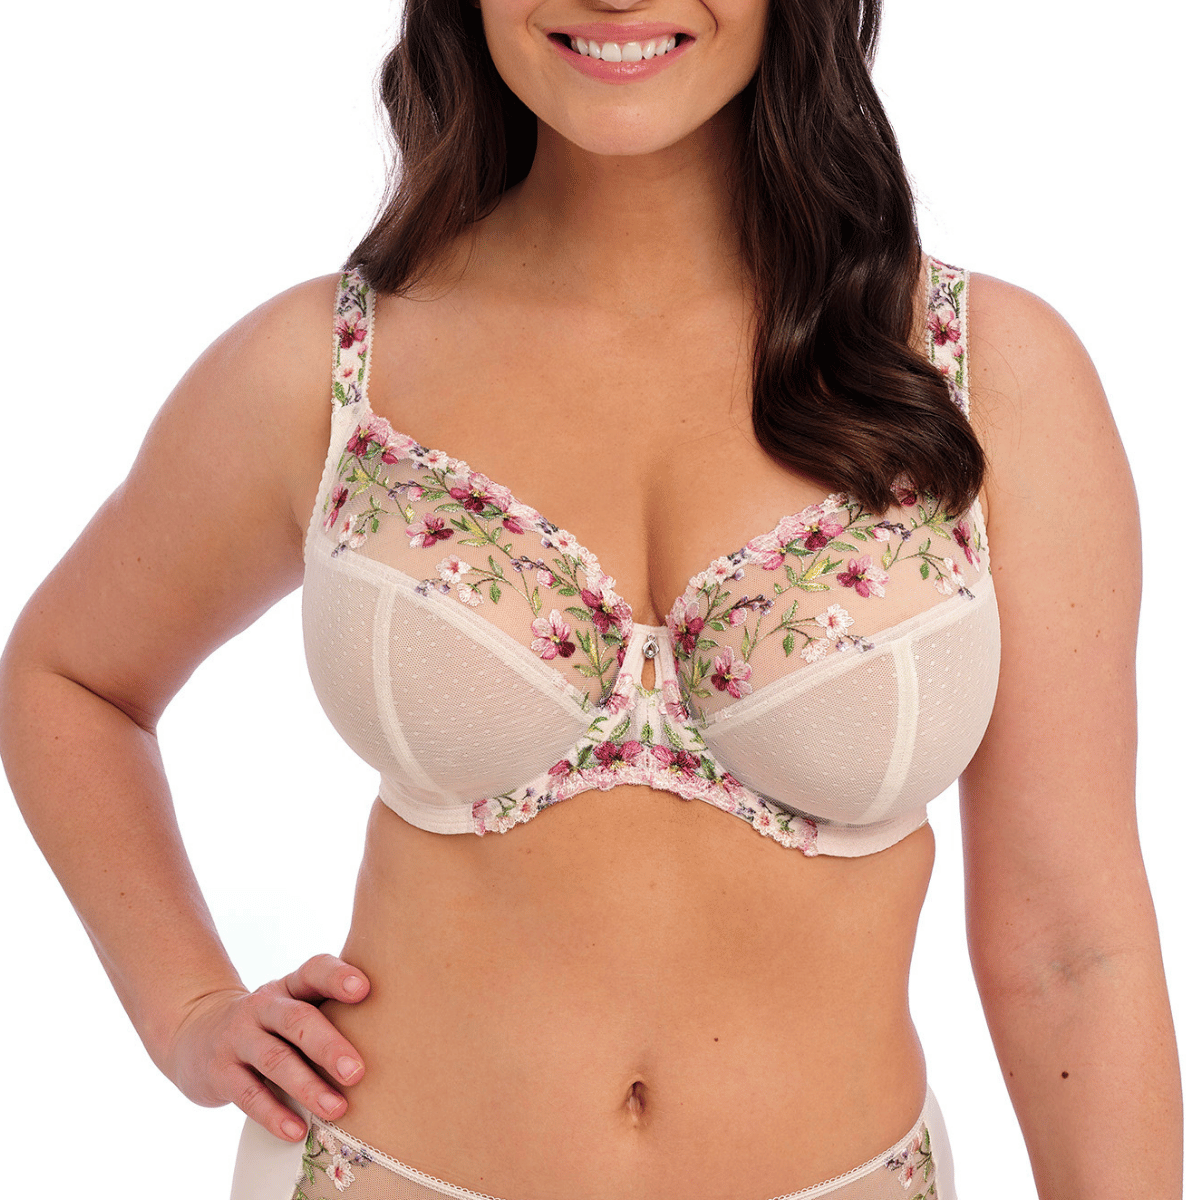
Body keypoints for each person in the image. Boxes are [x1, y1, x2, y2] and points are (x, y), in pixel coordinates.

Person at [0, 0, 1183, 1195]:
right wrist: (186, 1007)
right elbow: (69, 679)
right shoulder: (337, 365)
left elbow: (1072, 952)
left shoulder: (982, 373)